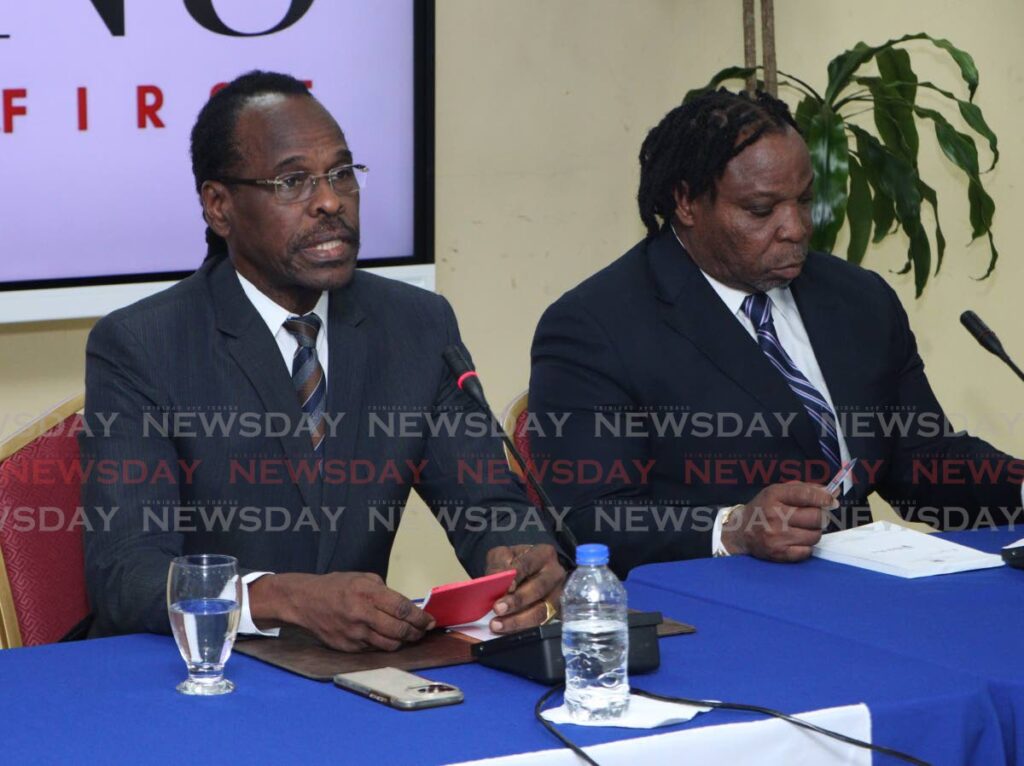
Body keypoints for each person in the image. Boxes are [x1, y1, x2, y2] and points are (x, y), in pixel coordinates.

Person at [82, 71, 565, 651]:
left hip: (356, 673)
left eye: (341, 174)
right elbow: (127, 574)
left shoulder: (416, 325)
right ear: (219, 206)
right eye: (292, 182)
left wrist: (518, 557)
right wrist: (283, 598)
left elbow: (486, 503)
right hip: (199, 677)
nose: (331, 201)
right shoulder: (143, 345)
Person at [529, 88, 1022, 577]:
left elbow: (922, 461)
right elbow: (590, 517)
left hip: (865, 591)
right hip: (716, 609)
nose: (796, 227)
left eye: (805, 200)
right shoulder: (595, 327)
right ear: (685, 202)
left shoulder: (858, 299)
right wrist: (733, 528)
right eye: (761, 210)